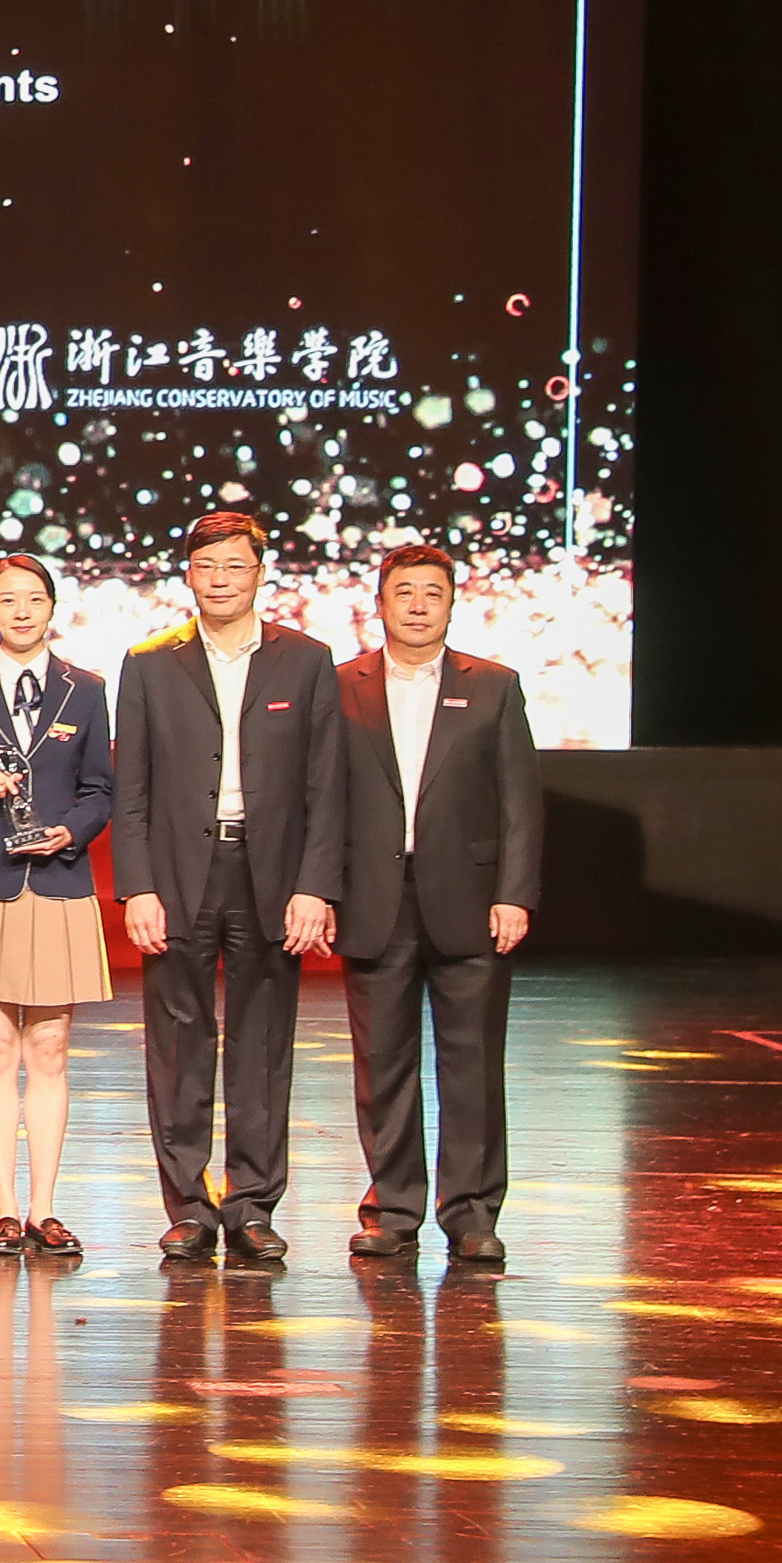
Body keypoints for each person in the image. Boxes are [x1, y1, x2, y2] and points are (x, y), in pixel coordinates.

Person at [111, 508, 348, 1272]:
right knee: (178, 1040)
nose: (220, 580)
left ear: (259, 573)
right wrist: (137, 886)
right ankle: (188, 1206)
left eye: (235, 566)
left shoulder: (306, 660)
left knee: (264, 1040)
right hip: (179, 872)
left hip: (271, 873)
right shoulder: (150, 662)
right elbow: (131, 788)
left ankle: (252, 1205)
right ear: (189, 573)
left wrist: (316, 886)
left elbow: (327, 787)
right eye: (207, 566)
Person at [337, 542, 542, 1271]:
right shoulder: (341, 685)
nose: (418, 605)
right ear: (379, 603)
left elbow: (520, 803)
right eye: (405, 591)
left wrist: (514, 893)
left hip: (471, 900)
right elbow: (320, 800)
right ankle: (392, 1211)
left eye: (433, 592)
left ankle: (473, 1215)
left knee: (473, 1065)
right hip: (374, 899)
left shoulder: (494, 686)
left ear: (452, 604)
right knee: (383, 1066)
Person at [0, 554, 116, 1261]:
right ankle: (5, 1209)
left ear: (52, 606)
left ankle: (45, 1208)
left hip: (59, 879)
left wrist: (73, 830)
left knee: (51, 1047)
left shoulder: (86, 689)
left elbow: (101, 788)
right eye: (8, 599)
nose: (22, 611)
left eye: (34, 598)